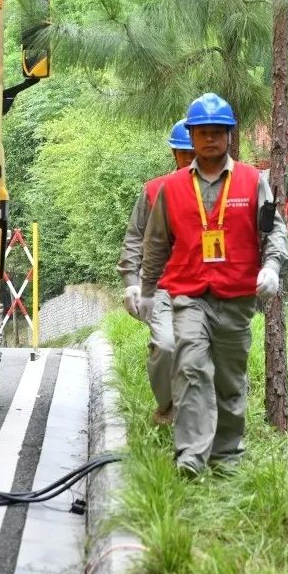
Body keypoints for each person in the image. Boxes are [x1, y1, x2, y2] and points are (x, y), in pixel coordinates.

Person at [139, 93, 288, 475]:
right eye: (202, 133)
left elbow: (274, 231)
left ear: (228, 136)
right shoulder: (171, 188)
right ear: (191, 136)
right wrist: (145, 291)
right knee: (190, 368)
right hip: (188, 295)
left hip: (237, 297)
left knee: (228, 381)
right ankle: (190, 456)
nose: (209, 140)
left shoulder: (253, 181)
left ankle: (225, 458)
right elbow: (156, 243)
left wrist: (271, 267)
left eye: (217, 133)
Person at [117, 120, 196, 425]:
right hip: (161, 287)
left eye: (196, 154)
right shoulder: (153, 190)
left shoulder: (218, 190)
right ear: (174, 154)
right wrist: (131, 282)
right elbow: (134, 238)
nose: (190, 160)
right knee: (166, 345)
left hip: (204, 287)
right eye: (184, 153)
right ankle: (168, 407)